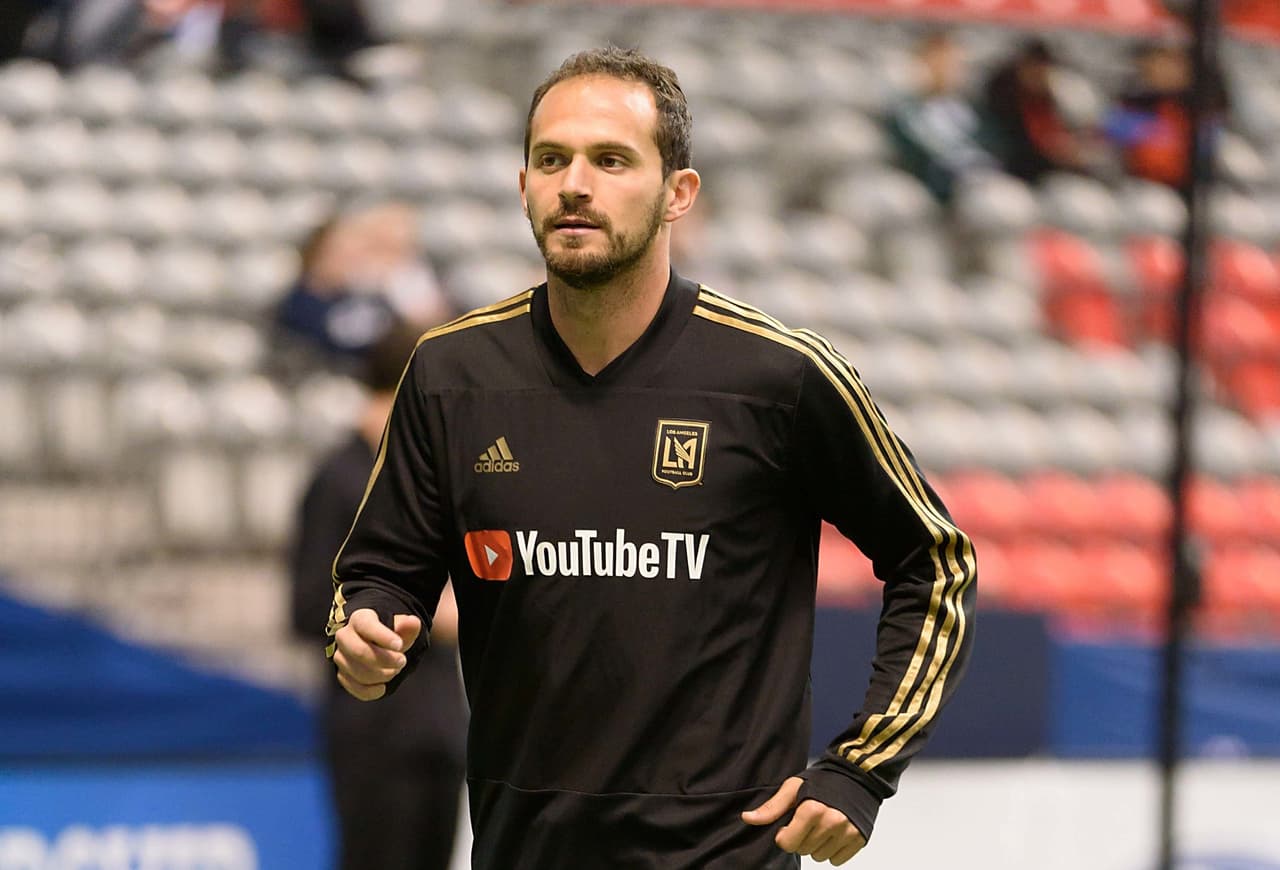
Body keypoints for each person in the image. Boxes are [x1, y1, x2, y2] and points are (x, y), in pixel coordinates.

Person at [326, 47, 976, 869]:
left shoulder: (779, 377)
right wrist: (363, 632)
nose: (574, 184)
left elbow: (938, 560)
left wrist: (860, 770)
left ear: (678, 194)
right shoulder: (451, 374)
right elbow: (380, 574)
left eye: (611, 160)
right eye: (551, 158)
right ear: (521, 184)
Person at [290, 323, 467, 870]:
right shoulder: (339, 478)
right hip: (374, 732)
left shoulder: (424, 481)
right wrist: (417, 617)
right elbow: (305, 605)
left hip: (438, 727)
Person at [886, 31, 995, 204]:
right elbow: (917, 156)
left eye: (954, 65)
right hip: (942, 184)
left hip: (985, 177)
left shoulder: (970, 110)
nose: (947, 71)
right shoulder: (906, 112)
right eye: (939, 63)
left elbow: (991, 145)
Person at [980, 39, 1097, 183]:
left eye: (1045, 67)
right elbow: (1020, 148)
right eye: (1035, 66)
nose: (1040, 74)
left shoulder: (1048, 98)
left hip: (1055, 173)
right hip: (1020, 174)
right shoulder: (1005, 98)